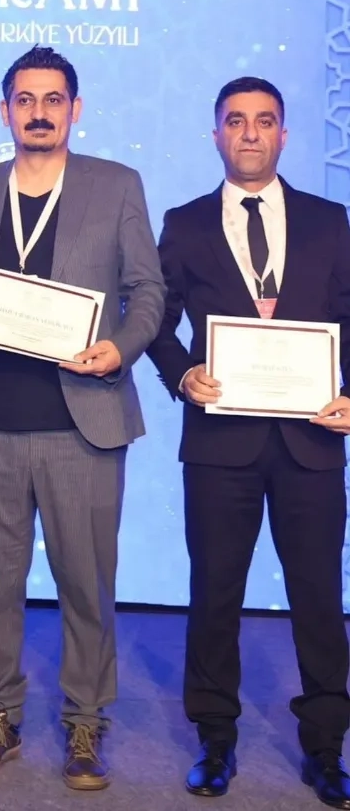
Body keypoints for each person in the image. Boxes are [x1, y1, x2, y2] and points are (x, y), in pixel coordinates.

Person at [0, 45, 165, 789]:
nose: (39, 112)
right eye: (25, 99)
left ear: (75, 108)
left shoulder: (116, 185)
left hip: (85, 426)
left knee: (87, 587)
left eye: (53, 99)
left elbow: (148, 290)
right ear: (4, 110)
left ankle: (85, 723)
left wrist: (120, 348)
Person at [146, 76, 350, 808]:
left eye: (265, 121)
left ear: (284, 135)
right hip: (219, 444)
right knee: (215, 594)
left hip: (311, 443)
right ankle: (215, 739)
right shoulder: (186, 223)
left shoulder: (330, 221)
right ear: (217, 135)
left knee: (319, 598)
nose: (251, 133)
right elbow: (155, 320)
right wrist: (182, 374)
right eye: (236, 121)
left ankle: (326, 748)